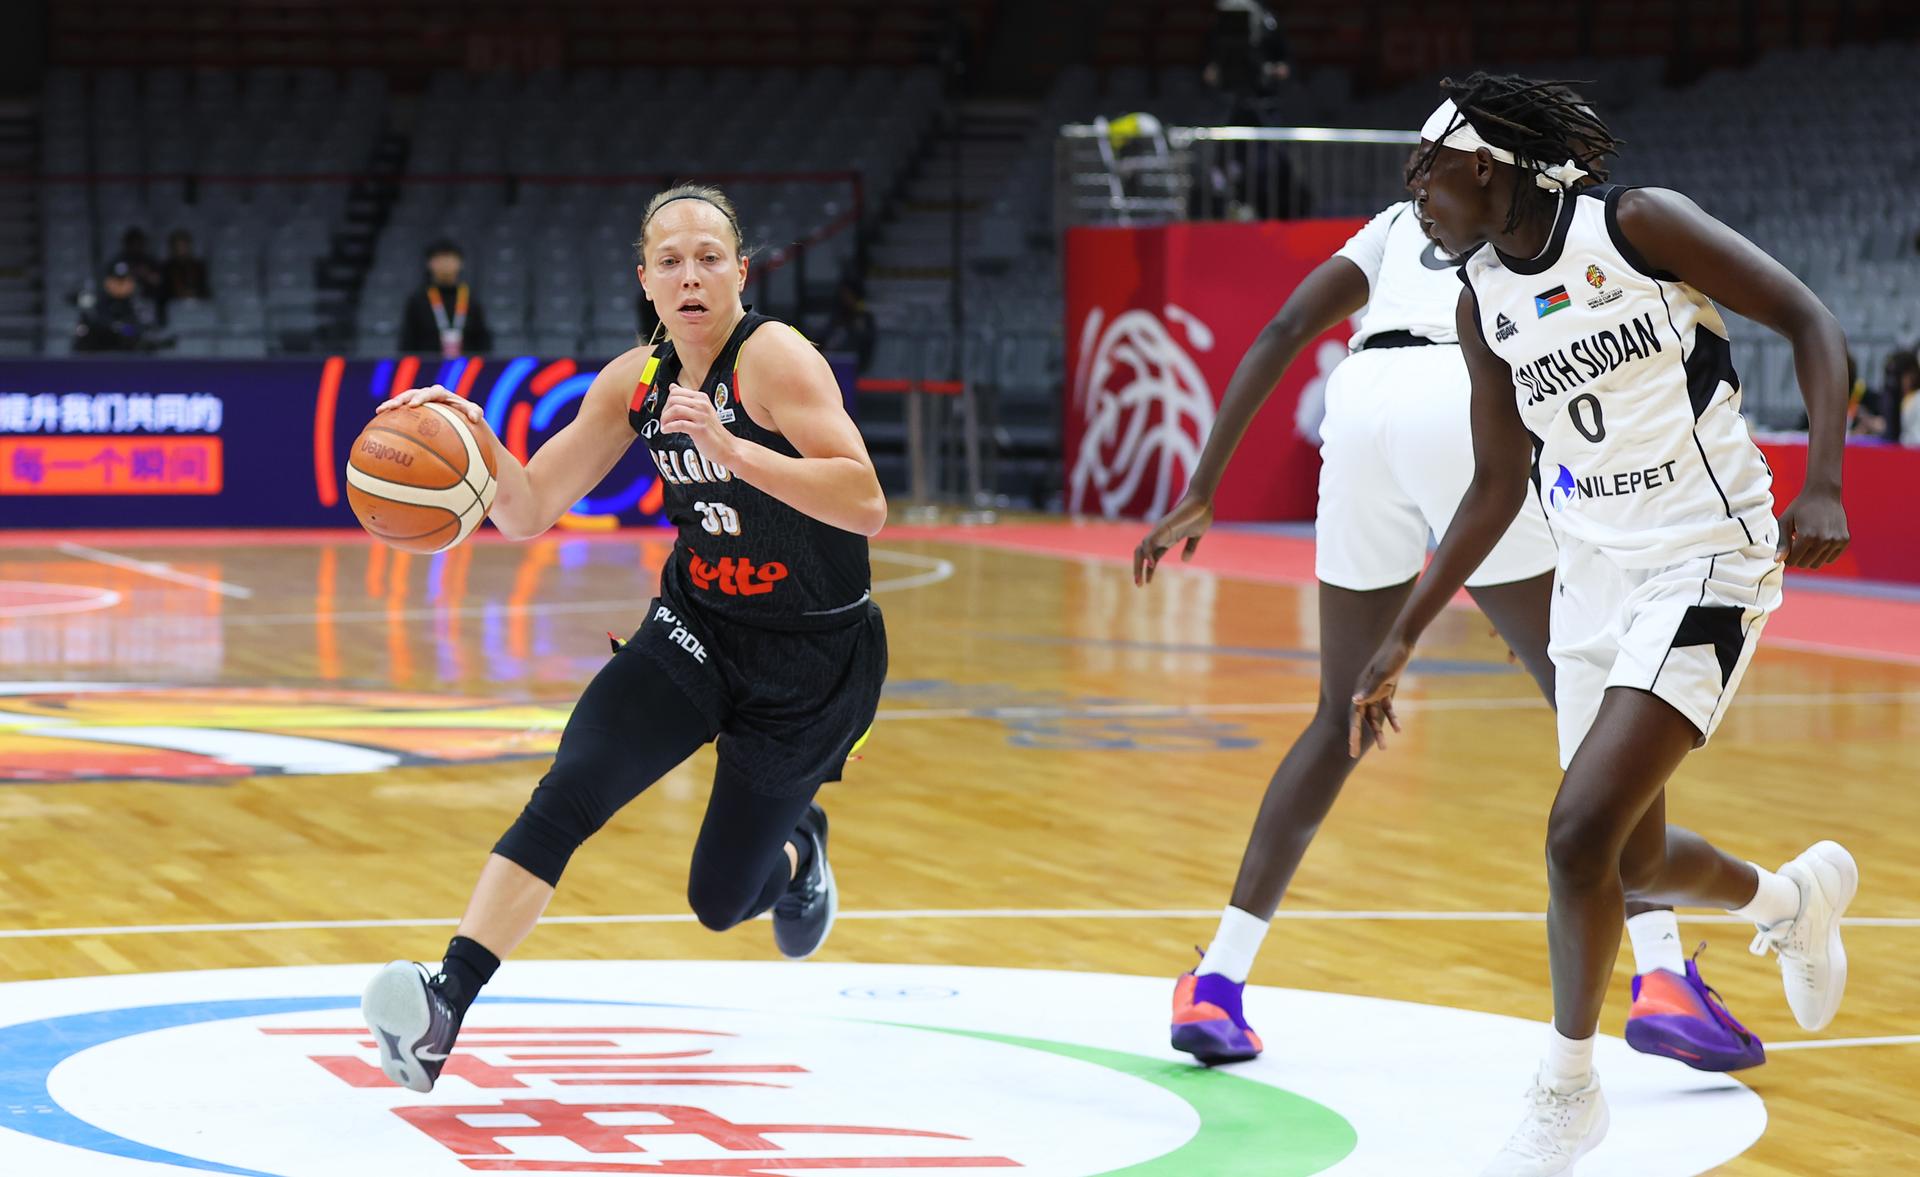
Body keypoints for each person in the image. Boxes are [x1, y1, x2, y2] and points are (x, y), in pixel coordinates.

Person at [1134, 149, 1763, 1080]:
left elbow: (1281, 326)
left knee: (1336, 713)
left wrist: (1203, 483)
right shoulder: (1512, 243)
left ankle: (1217, 981)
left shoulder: (1389, 233)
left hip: (1360, 411)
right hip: (1458, 405)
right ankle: (1663, 976)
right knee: (1598, 707)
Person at [1350, 74, 1857, 1173]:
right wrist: (1401, 633)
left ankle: (1567, 1090)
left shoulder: (1636, 226)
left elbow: (1811, 321)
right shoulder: (1482, 299)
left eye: (1425, 175)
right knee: (1626, 860)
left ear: (1484, 164)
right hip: (1590, 569)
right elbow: (1493, 486)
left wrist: (1824, 481)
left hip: (1707, 555)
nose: (1415, 201)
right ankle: (1795, 900)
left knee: (1575, 835)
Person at [361, 184, 889, 1093]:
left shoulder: (776, 362)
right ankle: (447, 1001)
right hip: (698, 627)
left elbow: (866, 500)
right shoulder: (635, 380)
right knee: (570, 789)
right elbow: (526, 510)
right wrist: (471, 435)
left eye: (709, 258)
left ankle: (800, 849)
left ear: (739, 272)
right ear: (646, 280)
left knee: (719, 901)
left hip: (811, 659)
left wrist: (734, 450)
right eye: (671, 261)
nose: (691, 277)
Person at [399, 237, 493, 357]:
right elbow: (408, 342)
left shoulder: (471, 300)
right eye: (439, 259)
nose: (445, 263)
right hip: (428, 369)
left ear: (460, 263)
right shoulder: (417, 301)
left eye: (450, 258)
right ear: (429, 263)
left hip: (467, 369)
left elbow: (483, 342)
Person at [72, 261, 158, 352]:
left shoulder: (137, 303)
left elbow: (139, 327)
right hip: (101, 346)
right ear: (108, 280)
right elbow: (96, 320)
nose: (120, 284)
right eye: (116, 280)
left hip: (128, 351)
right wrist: (113, 326)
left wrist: (125, 328)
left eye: (123, 280)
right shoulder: (99, 301)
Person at [159, 228, 212, 310]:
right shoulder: (166, 267)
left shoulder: (198, 266)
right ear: (173, 248)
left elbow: (204, 288)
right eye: (178, 246)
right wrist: (180, 294)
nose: (181, 249)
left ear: (189, 246)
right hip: (173, 306)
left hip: (198, 304)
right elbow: (164, 291)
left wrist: (194, 294)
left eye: (183, 245)